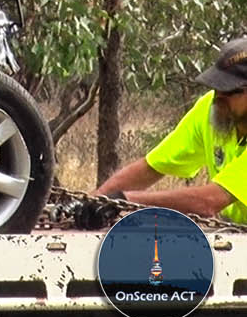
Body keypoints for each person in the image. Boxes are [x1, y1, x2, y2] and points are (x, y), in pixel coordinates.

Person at [90, 36, 247, 223]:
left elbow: (209, 201)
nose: (217, 97)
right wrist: (96, 199)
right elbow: (151, 167)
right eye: (215, 87)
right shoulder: (210, 110)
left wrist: (123, 201)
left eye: (228, 90)